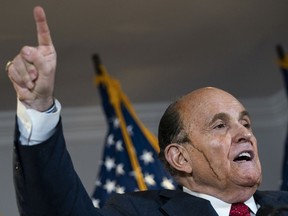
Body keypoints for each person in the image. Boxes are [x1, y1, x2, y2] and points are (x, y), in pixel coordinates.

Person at [6, 6, 288, 216]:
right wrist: (38, 107)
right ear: (180, 158)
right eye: (220, 126)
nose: (244, 134)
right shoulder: (137, 211)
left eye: (246, 123)